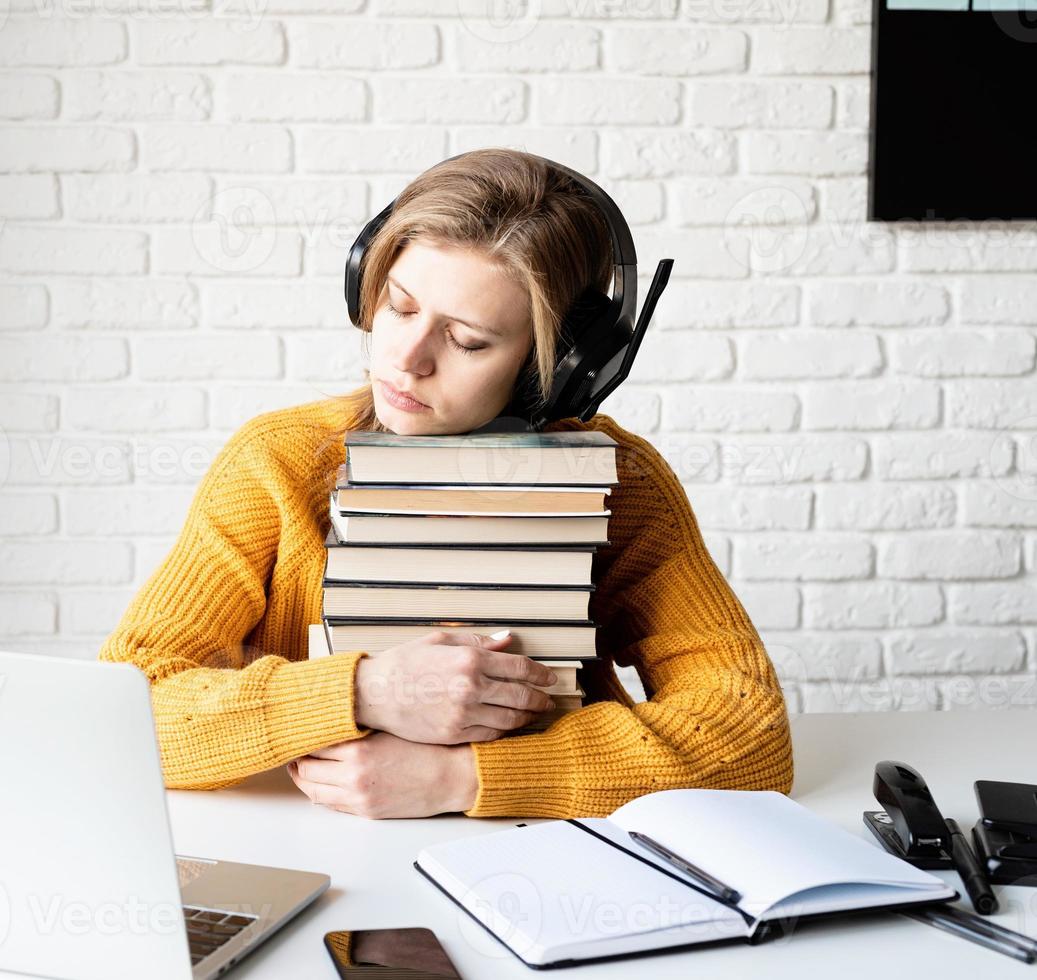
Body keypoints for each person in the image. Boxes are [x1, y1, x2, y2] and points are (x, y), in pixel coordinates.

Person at [97, 148, 794, 819]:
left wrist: (459, 779)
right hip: (318, 851)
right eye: (399, 307)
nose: (404, 359)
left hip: (554, 857)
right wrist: (365, 690)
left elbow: (750, 736)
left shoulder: (620, 483)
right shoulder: (276, 463)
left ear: (551, 369)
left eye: (466, 341)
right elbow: (122, 709)